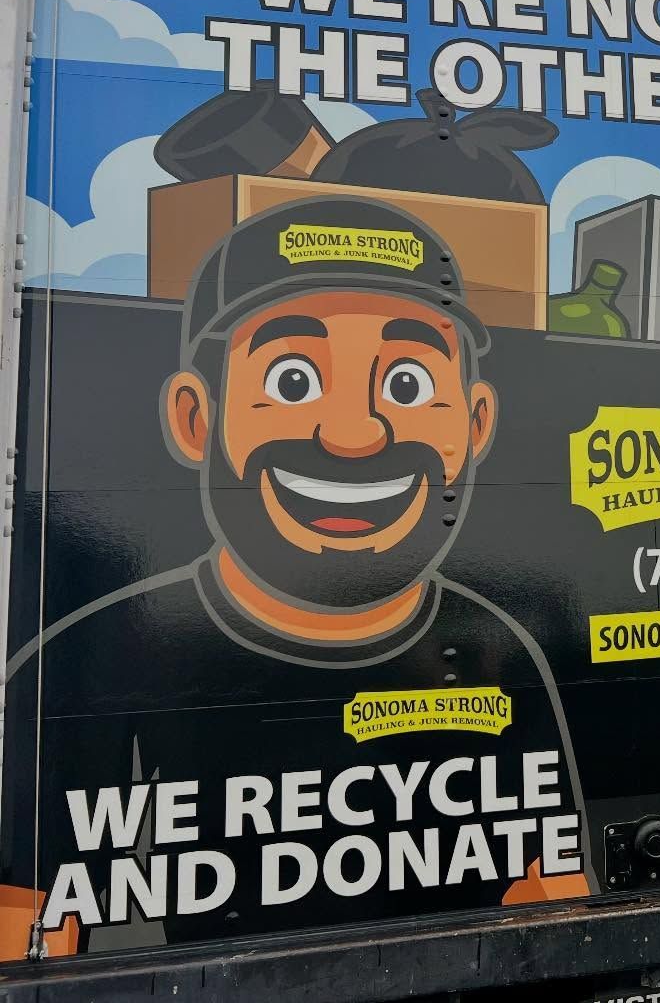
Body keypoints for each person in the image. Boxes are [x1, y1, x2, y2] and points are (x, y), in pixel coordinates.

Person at [1, 196, 589, 959]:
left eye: (406, 384)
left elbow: (558, 905)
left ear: (474, 426)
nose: (354, 434)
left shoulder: (507, 650)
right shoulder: (94, 654)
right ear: (193, 416)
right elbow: (30, 926)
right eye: (292, 378)